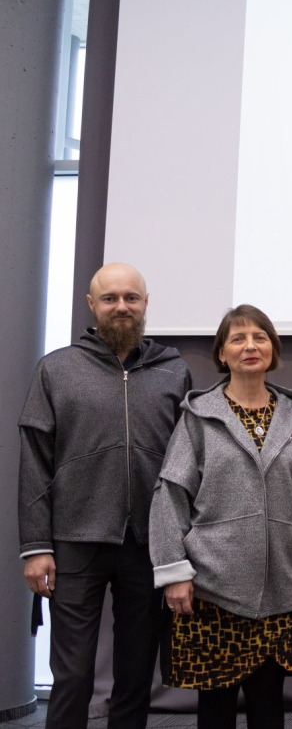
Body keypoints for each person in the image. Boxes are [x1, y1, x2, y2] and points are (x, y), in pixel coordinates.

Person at [19, 262, 192, 729]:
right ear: (92, 305)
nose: (121, 307)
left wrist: (181, 547)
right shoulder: (56, 369)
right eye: (110, 298)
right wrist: (36, 547)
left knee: (136, 673)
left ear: (145, 304)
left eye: (131, 298)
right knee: (73, 673)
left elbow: (189, 465)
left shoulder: (173, 372)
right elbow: (34, 462)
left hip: (147, 545)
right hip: (75, 541)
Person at [150, 305, 292, 729]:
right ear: (222, 354)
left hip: (280, 589)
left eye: (260, 337)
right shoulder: (198, 417)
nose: (251, 345)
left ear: (273, 348)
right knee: (216, 709)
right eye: (238, 338)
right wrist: (174, 572)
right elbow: (169, 495)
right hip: (214, 589)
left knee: (269, 706)